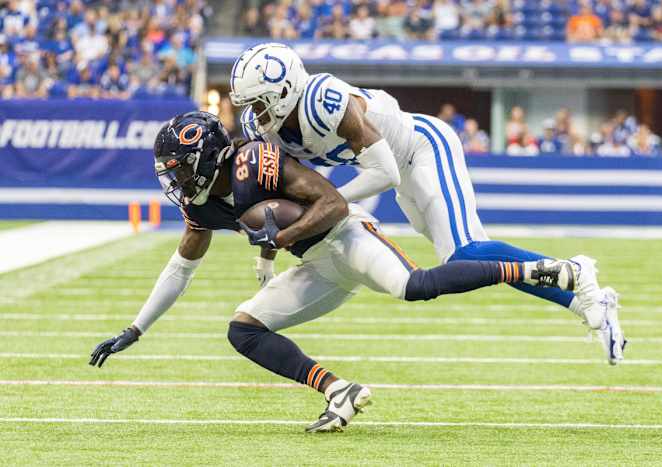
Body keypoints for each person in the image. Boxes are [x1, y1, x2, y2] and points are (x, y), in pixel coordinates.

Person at [88, 111, 581, 432]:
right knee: (243, 330)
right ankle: (337, 390)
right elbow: (180, 269)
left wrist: (277, 240)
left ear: (205, 157)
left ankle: (535, 271)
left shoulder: (254, 162)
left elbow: (335, 201)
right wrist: (136, 328)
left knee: (415, 286)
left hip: (347, 234)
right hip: (318, 265)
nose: (174, 179)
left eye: (178, 167)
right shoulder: (201, 208)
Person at [230, 43, 626, 364]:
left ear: (284, 91)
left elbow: (384, 173)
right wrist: (268, 253)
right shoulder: (277, 130)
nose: (254, 114)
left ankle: (576, 274)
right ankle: (583, 298)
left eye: (258, 102)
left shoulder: (324, 100)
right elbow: (296, 188)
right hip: (400, 166)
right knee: (469, 259)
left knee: (466, 253)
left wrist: (330, 203)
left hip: (422, 148)